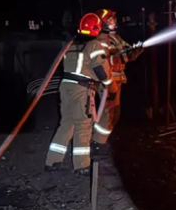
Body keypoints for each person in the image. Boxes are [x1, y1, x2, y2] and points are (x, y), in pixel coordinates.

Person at [45, 13, 112, 175]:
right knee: (83, 125)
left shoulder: (70, 44)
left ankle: (52, 161)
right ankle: (82, 165)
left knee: (66, 123)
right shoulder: (95, 45)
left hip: (65, 86)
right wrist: (108, 84)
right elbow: (101, 71)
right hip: (82, 89)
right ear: (96, 29)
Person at [92, 9, 143, 151]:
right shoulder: (101, 40)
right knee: (108, 112)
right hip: (106, 81)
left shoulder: (115, 37)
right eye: (109, 19)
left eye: (113, 19)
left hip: (117, 79)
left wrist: (136, 49)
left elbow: (127, 54)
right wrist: (124, 55)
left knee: (115, 112)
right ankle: (97, 143)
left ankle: (102, 139)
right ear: (101, 23)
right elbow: (107, 59)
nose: (113, 21)